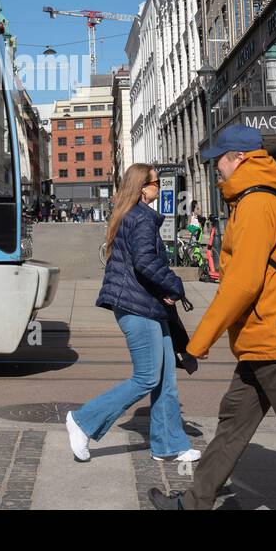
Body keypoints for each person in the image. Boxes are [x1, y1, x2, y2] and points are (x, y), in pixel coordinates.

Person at [150, 127, 276, 510]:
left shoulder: (256, 205)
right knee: (233, 425)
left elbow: (242, 285)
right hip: (263, 341)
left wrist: (199, 342)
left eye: (220, 159)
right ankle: (194, 503)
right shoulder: (255, 198)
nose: (216, 168)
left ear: (240, 158)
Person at [65, 163, 199, 464]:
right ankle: (83, 421)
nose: (158, 187)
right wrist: (176, 285)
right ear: (143, 188)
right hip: (137, 307)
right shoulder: (141, 218)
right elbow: (145, 262)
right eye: (155, 182)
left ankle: (168, 446)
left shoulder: (131, 215)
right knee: (147, 378)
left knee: (165, 379)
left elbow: (141, 263)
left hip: (144, 305)